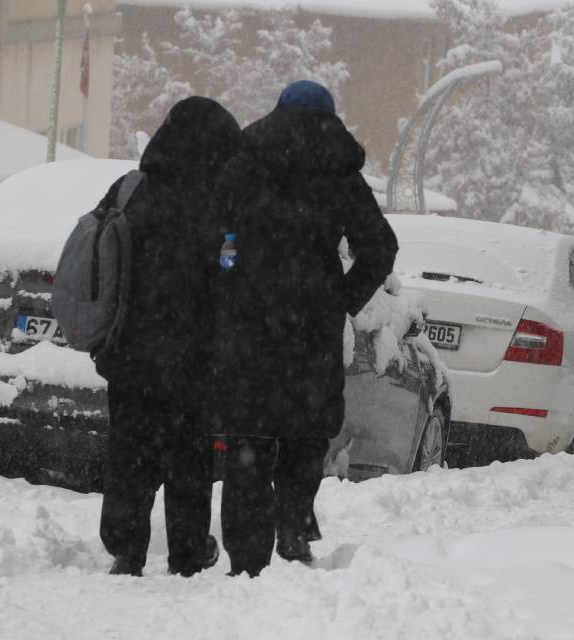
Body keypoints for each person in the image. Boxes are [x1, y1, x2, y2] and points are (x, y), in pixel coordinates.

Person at [210, 81, 397, 577]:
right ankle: (292, 533)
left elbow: (213, 234)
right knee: (305, 434)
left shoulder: (244, 165)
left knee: (249, 436)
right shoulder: (340, 175)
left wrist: (230, 282)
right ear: (328, 117)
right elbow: (380, 247)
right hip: (311, 329)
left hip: (250, 324)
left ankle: (246, 558)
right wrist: (340, 297)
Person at [95, 96, 242, 577]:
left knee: (129, 451)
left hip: (129, 352)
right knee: (190, 458)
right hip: (194, 359)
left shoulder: (129, 190)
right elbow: (234, 280)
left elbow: (100, 260)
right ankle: (187, 550)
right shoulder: (221, 205)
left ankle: (126, 547)